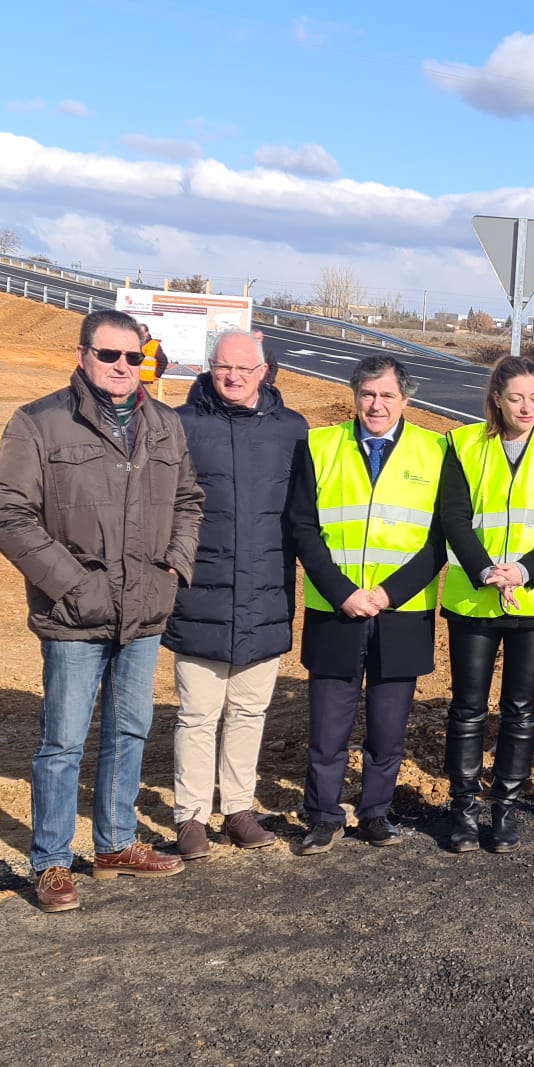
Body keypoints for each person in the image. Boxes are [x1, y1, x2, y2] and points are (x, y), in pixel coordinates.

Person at [0, 309, 203, 913]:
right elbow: (7, 516)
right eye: (109, 356)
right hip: (75, 616)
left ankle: (116, 843)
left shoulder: (164, 424)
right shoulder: (39, 422)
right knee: (63, 742)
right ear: (82, 356)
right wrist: (73, 586)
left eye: (133, 357)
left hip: (145, 613)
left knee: (130, 731)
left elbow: (188, 502)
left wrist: (172, 571)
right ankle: (52, 861)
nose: (122, 368)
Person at [287, 356, 447, 854]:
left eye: (387, 396)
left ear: (406, 400)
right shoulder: (318, 445)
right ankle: (322, 815)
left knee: (387, 726)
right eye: (368, 395)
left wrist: (387, 593)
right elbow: (302, 528)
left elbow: (440, 539)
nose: (376, 405)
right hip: (336, 609)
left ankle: (376, 812)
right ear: (354, 396)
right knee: (328, 728)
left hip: (402, 611)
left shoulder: (435, 450)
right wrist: (344, 593)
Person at [160, 329, 308, 860]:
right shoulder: (180, 424)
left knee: (249, 711)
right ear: (209, 366)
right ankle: (191, 815)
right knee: (197, 714)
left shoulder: (292, 430)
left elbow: (302, 519)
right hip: (200, 592)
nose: (234, 377)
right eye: (224, 367)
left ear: (265, 371)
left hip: (266, 593)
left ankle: (239, 808)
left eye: (245, 368)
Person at [437, 355, 534, 853]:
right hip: (474, 597)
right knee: (468, 708)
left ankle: (504, 809)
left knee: (520, 710)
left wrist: (521, 571)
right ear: (497, 398)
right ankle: (462, 808)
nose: (527, 407)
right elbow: (453, 518)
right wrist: (486, 571)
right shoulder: (462, 445)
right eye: (517, 397)